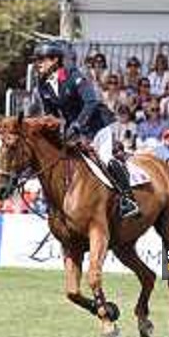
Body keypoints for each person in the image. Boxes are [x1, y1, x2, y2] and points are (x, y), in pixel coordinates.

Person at [33, 40, 140, 218]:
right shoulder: (42, 84)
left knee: (105, 160)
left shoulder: (74, 76)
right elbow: (50, 113)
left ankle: (128, 200)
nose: (38, 64)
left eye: (41, 59)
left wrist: (77, 125)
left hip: (95, 126)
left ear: (54, 61)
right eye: (36, 60)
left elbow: (92, 102)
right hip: (73, 130)